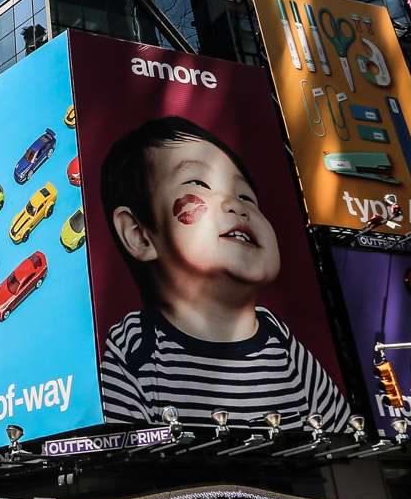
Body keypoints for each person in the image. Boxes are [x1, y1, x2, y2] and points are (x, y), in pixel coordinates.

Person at [97, 116, 352, 429]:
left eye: (246, 197)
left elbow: (341, 433)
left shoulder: (281, 341)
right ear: (139, 234)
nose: (236, 205)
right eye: (200, 184)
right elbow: (121, 450)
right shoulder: (137, 344)